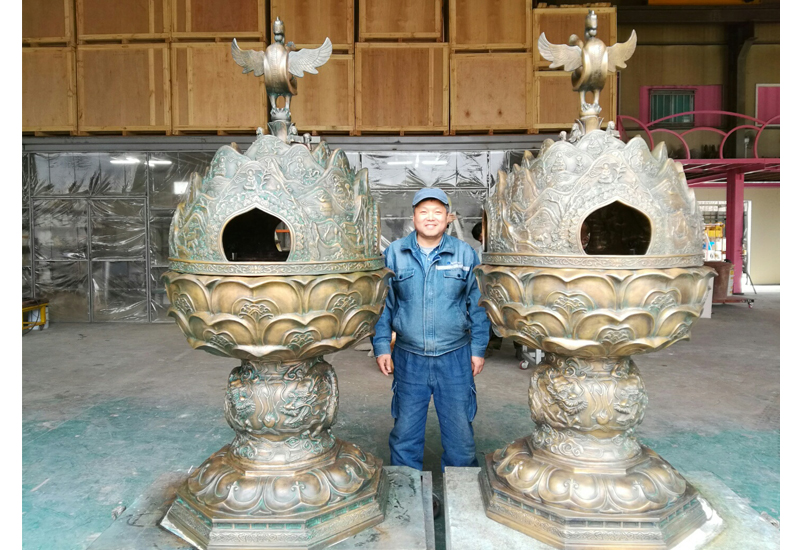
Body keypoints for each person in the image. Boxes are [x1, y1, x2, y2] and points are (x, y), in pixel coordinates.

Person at [372, 187, 491, 479]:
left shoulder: (464, 253)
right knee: (405, 431)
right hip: (409, 357)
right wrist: (382, 345)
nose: (430, 217)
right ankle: (406, 489)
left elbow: (478, 305)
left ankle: (462, 490)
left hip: (455, 357)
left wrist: (478, 349)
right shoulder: (395, 253)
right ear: (413, 217)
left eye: (438, 212)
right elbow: (383, 304)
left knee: (460, 434)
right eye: (423, 211)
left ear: (447, 218)